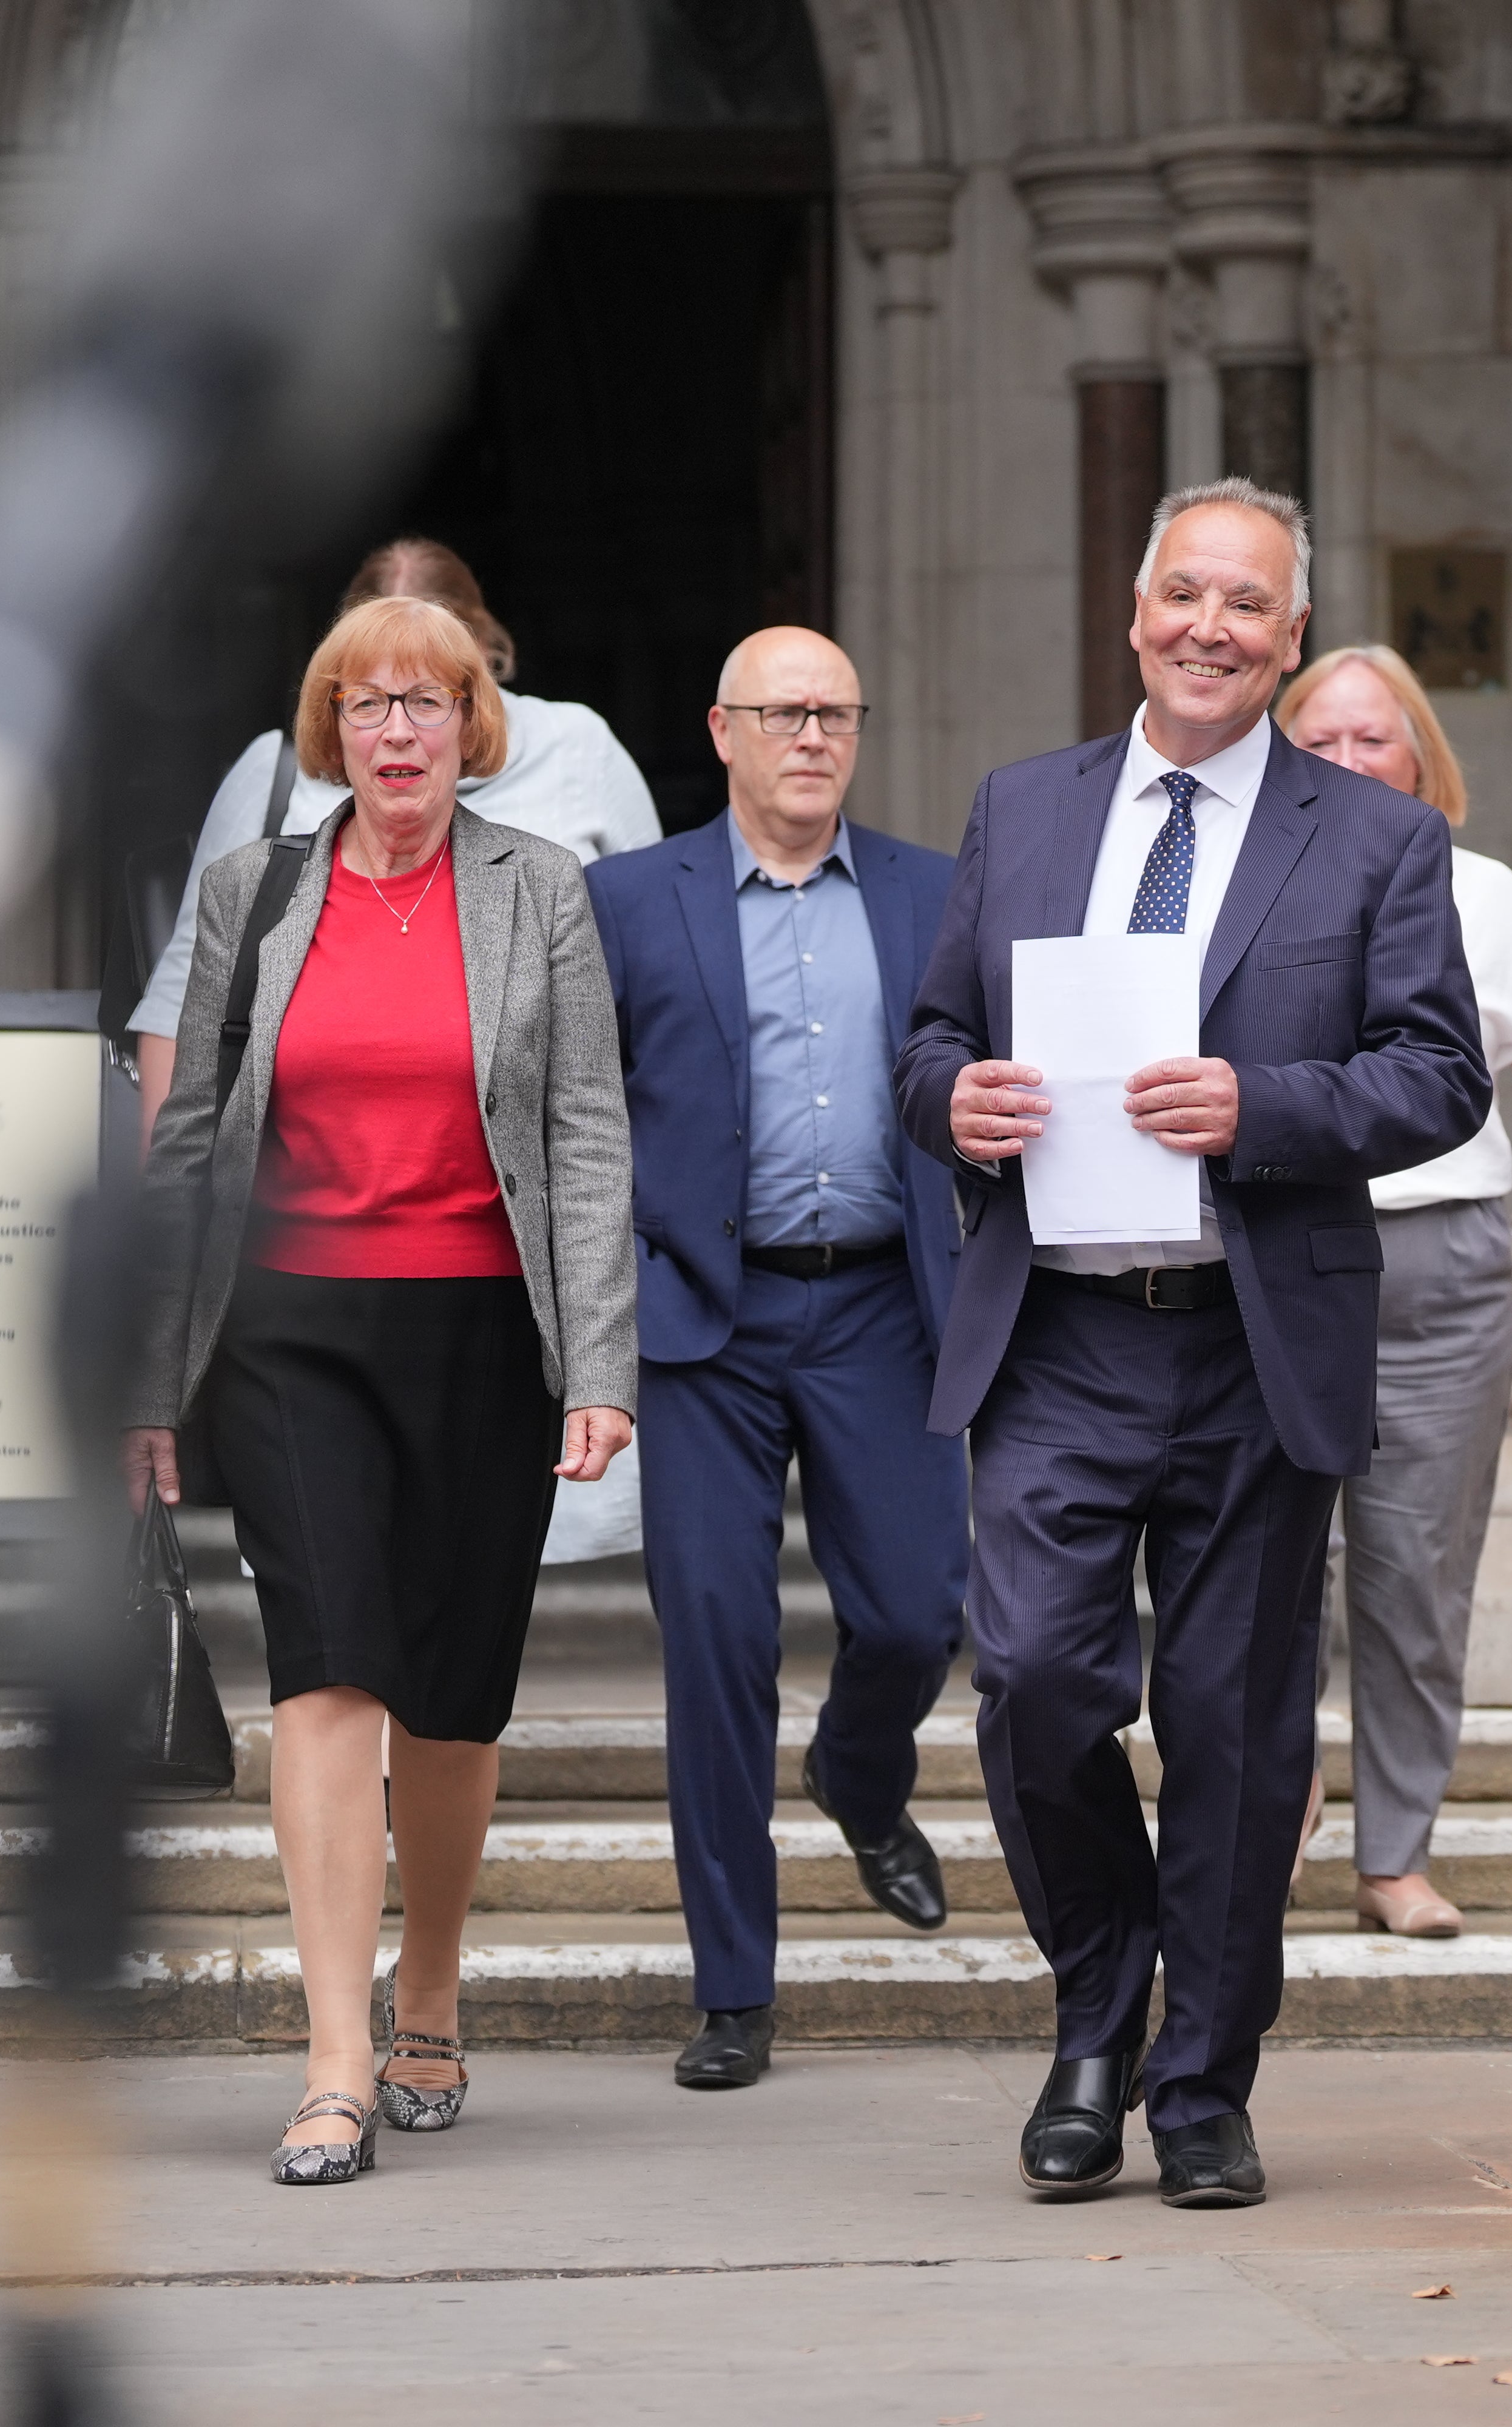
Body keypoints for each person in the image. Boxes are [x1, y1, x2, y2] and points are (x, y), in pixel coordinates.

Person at [893, 479, 1491, 2208]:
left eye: (1248, 604)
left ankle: (1198, 2085)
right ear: (1137, 609)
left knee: (1235, 1730)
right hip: (1062, 1336)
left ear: (1292, 637)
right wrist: (963, 1103)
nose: (1210, 626)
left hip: (1252, 1337)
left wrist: (1264, 1105)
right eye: (1184, 593)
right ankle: (1102, 2002)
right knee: (1033, 1684)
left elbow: (1436, 1076)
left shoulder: (1375, 839)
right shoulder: (1025, 810)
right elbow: (929, 1042)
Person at [125, 595, 636, 2187]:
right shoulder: (254, 892)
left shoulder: (540, 888)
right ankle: (337, 2056)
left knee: (456, 1692)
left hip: (485, 1329)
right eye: (367, 704)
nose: (398, 730)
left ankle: (429, 1992)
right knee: (329, 1668)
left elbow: (586, 1135)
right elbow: (192, 1140)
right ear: (329, 728)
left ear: (474, 724)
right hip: (290, 1333)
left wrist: (600, 1363)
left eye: (428, 702)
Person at [586, 627, 965, 2093]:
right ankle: (733, 1985)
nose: (813, 735)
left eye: (835, 712)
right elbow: (579, 1107)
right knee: (721, 1647)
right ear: (723, 731)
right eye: (784, 712)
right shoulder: (628, 900)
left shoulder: (935, 894)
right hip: (706, 1320)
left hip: (885, 1307)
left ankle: (861, 1775)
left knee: (919, 1612)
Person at [1274, 643, 1512, 1939]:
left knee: (1417, 1577)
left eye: (1370, 738)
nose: (1343, 759)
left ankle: (1396, 1853)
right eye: (1315, 738)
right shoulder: (1234, 886)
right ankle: (1268, 1817)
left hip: (1442, 1273)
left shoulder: (1481, 893)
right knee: (1263, 1568)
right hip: (1276, 1262)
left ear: (1423, 759)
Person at [127, 537, 660, 1139]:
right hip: (310, 1163)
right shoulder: (276, 772)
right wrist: (169, 1211)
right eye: (374, 687)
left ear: (483, 653)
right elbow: (183, 1001)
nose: (400, 728)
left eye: (430, 680)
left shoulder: (580, 749)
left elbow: (659, 981)